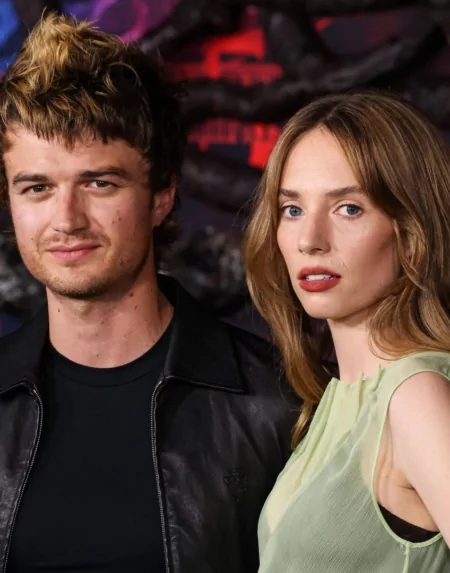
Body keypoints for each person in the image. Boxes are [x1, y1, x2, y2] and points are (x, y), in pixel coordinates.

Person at [0, 13, 296, 573]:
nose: (67, 219)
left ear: (161, 195)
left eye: (99, 182)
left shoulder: (279, 405)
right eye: (37, 187)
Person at [244, 90, 450, 572]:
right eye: (292, 209)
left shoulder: (415, 397)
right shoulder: (340, 401)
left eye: (348, 208)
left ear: (410, 230)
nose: (310, 240)